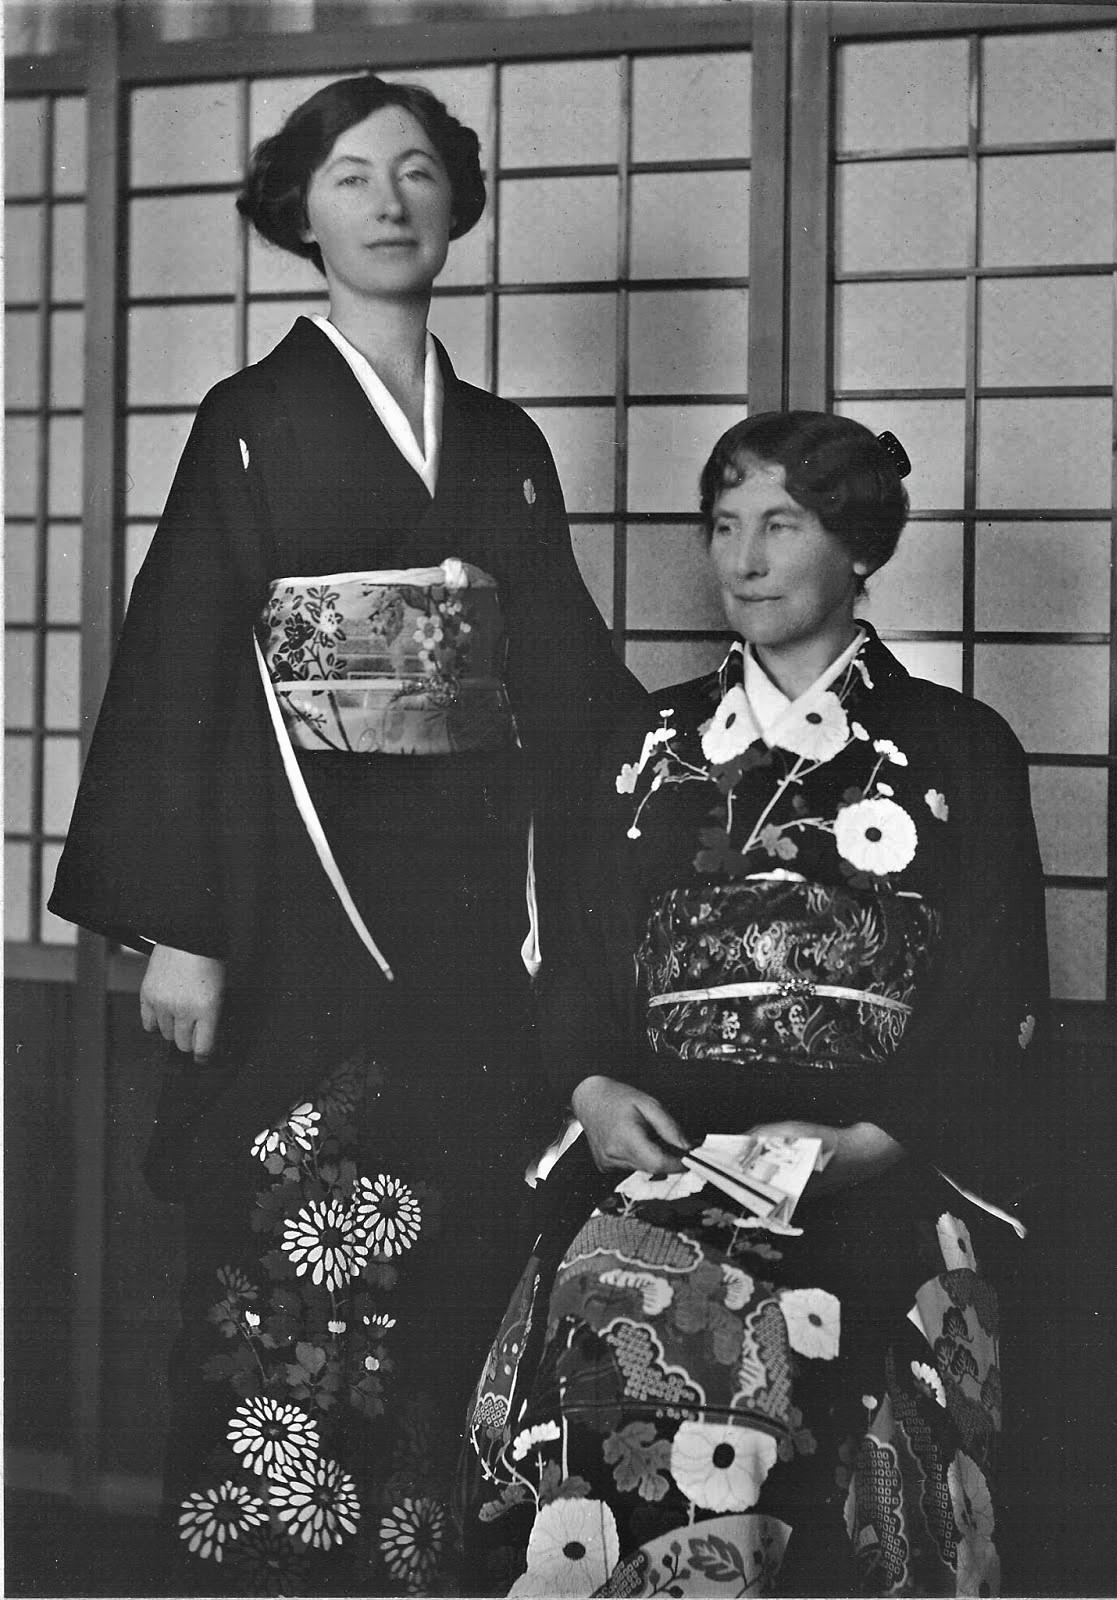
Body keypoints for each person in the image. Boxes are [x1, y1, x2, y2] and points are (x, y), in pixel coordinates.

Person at [50, 75, 643, 1594]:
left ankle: (423, 1560)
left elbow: (566, 675)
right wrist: (183, 922)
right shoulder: (251, 421)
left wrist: (699, 759)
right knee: (285, 1254)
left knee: (449, 1250)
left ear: (456, 203)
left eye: (421, 174)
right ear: (296, 212)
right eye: (352, 175)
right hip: (289, 897)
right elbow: (182, 656)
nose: (391, 200)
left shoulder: (503, 442)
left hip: (468, 909)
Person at [459, 412, 1049, 1598]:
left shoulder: (961, 747)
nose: (744, 558)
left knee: (876, 1357)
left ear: (860, 545)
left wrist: (872, 1143)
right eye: (724, 526)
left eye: (781, 524)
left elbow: (997, 989)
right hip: (666, 1144)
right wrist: (592, 1086)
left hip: (881, 1149)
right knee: (599, 1324)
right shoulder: (643, 747)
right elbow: (570, 952)